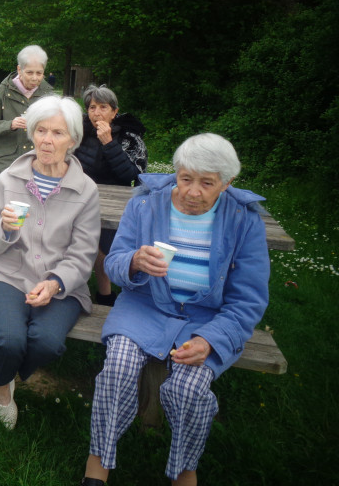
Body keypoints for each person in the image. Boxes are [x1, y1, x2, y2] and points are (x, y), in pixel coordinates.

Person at [81, 133, 270, 486]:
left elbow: (248, 299)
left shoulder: (244, 220)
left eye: (207, 183)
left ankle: (185, 470)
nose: (192, 192)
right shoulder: (145, 204)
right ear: (177, 172)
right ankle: (98, 460)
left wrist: (212, 341)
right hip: (144, 307)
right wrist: (135, 261)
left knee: (188, 389)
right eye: (186, 179)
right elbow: (117, 260)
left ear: (227, 184)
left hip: (207, 319)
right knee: (117, 368)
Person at [0, 95, 100, 429]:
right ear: (32, 133)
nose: (47, 140)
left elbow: (84, 254)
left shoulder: (86, 190)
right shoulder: (10, 179)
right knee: (9, 339)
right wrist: (6, 230)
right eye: (40, 130)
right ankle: (2, 388)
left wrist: (54, 283)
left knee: (48, 344)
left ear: (74, 140)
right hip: (5, 273)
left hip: (61, 283)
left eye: (57, 133)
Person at [74, 84, 147, 306]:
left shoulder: (130, 137)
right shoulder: (78, 132)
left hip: (115, 200)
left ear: (115, 111)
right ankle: (74, 286)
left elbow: (133, 175)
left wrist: (108, 143)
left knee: (104, 245)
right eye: (92, 107)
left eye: (103, 107)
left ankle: (105, 294)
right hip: (80, 194)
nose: (96, 113)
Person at [0, 45, 55, 174]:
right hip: (6, 163)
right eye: (30, 72)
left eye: (39, 73)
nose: (35, 78)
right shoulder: (3, 91)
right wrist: (10, 125)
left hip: (38, 161)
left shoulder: (49, 94)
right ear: (19, 70)